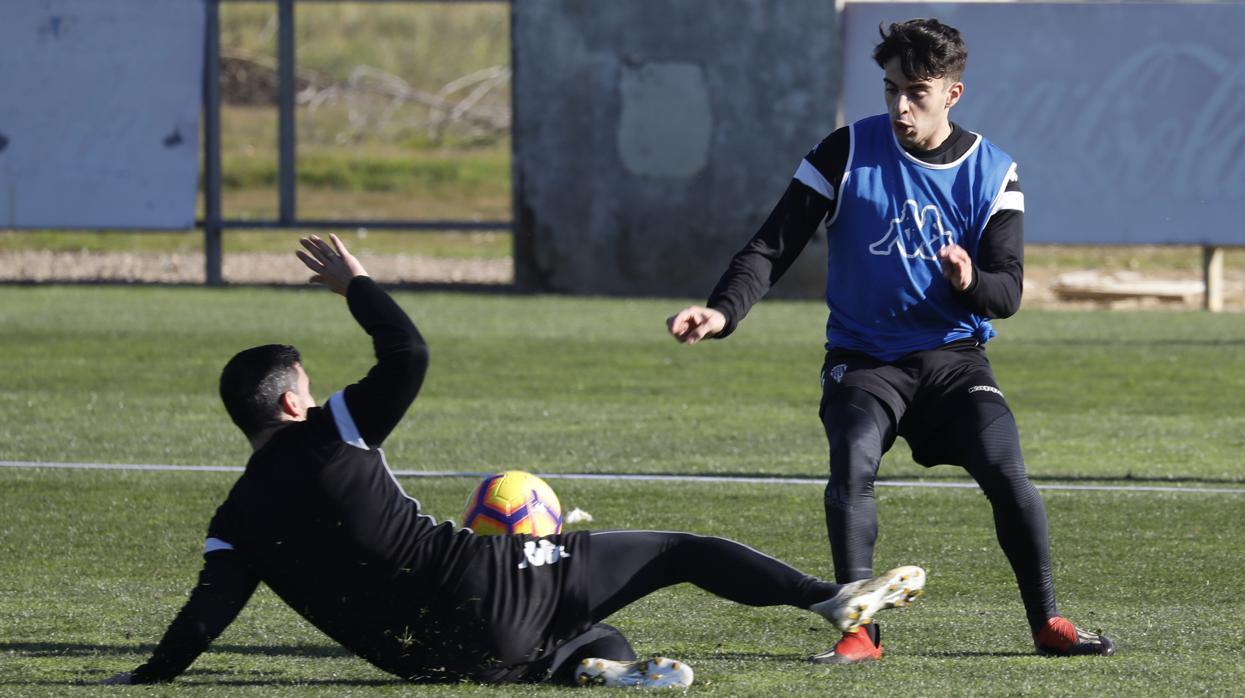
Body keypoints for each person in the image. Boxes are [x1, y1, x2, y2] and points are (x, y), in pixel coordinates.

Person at [102, 234, 926, 689]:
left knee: (591, 632)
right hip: (481, 583)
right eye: (308, 390)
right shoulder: (331, 433)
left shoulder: (233, 522)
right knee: (679, 553)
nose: (317, 399)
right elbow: (408, 351)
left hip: (432, 660)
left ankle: (602, 673)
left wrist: (145, 679)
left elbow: (203, 620)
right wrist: (355, 284)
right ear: (289, 405)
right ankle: (830, 599)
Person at [667, 18, 1115, 664]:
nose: (900, 106)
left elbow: (1006, 294)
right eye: (889, 90)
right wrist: (721, 312)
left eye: (916, 92)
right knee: (851, 462)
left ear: (952, 94)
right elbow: (770, 247)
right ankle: (860, 631)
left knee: (1006, 472)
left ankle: (1047, 620)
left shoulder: (991, 171)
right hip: (864, 361)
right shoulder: (843, 153)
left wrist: (968, 280)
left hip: (953, 362)